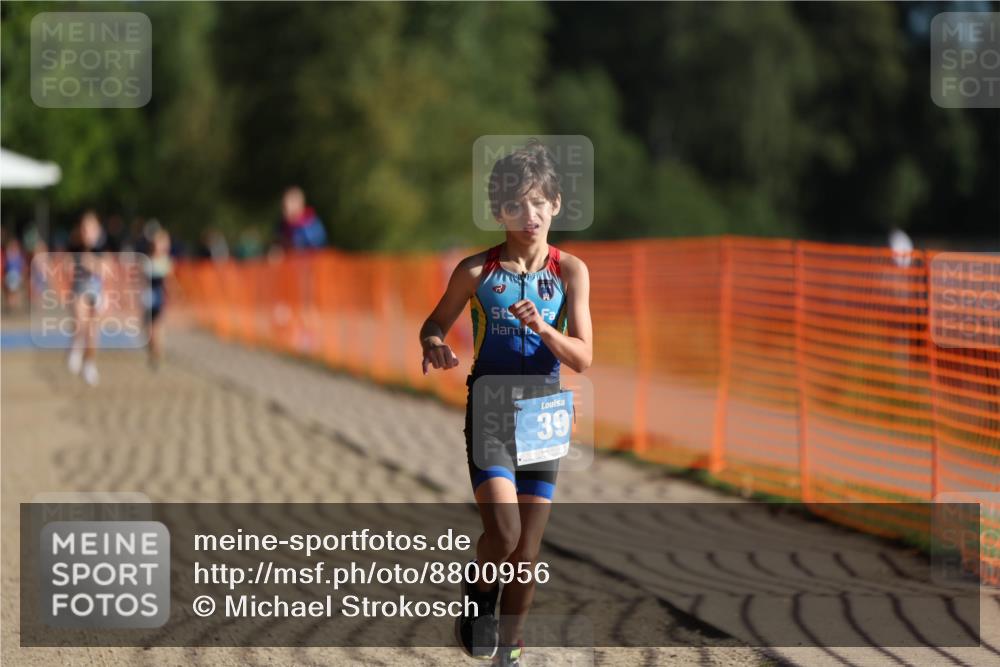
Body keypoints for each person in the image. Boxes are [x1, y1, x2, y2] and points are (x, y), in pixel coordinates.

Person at [419, 142, 593, 665]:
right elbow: (434, 322)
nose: (530, 214)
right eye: (517, 204)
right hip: (491, 409)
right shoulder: (476, 272)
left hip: (543, 413)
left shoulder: (571, 273)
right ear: (499, 212)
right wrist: (434, 344)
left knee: (527, 555)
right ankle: (477, 594)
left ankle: (509, 651)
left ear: (557, 204)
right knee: (505, 532)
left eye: (540, 202)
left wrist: (542, 327)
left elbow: (583, 357)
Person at [67, 211, 105, 386]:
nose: (87, 232)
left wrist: (94, 265)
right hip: (79, 291)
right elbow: (67, 265)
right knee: (80, 323)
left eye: (91, 228)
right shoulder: (74, 246)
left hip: (97, 292)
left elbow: (106, 269)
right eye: (84, 229)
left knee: (93, 333)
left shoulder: (103, 247)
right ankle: (76, 346)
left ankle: (89, 364)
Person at [143, 226, 172, 369]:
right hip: (147, 298)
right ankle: (153, 350)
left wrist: (172, 294)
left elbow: (168, 282)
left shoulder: (166, 261)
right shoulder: (146, 259)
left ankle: (158, 352)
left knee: (158, 328)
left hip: (159, 298)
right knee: (148, 330)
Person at [278, 186, 327, 251]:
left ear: (297, 205)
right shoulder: (283, 226)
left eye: (286, 207)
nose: (284, 212)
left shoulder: (311, 225)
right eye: (283, 207)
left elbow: (319, 248)